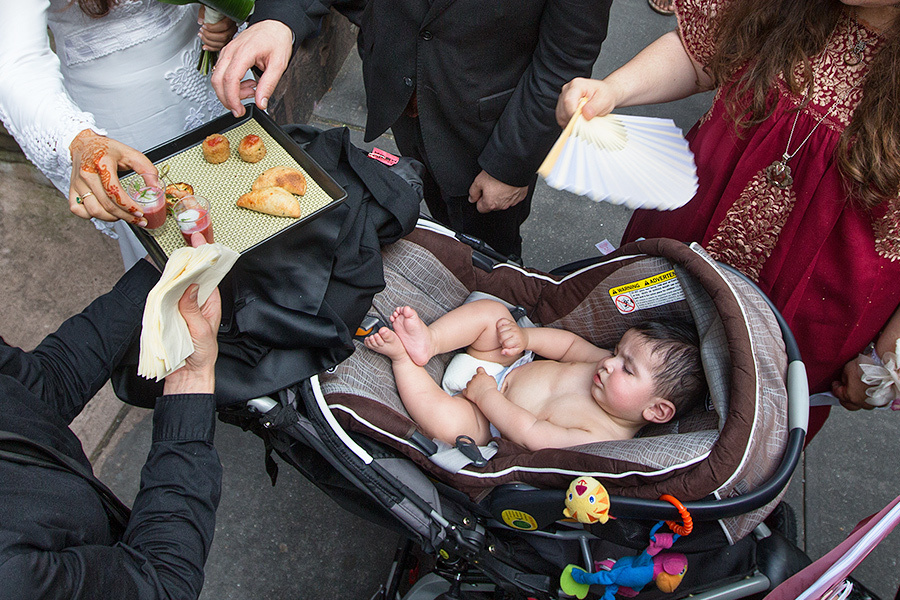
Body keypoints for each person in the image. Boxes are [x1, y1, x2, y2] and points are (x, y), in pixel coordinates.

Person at [555, 0, 900, 440]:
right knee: (614, 371)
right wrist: (613, 89)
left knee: (736, 433)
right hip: (690, 230)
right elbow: (699, 55)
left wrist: (887, 360)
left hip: (814, 295)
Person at [209, 0, 613, 258]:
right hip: (402, 99)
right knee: (436, 213)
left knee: (488, 252)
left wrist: (511, 165)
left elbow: (564, 61)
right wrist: (279, 20)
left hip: (490, 133)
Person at [0, 250, 224, 598]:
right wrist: (189, 378)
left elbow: (38, 390)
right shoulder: (14, 578)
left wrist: (163, 271)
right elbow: (161, 585)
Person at [0, 0, 237, 268]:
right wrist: (78, 138)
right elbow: (18, 62)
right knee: (168, 246)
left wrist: (224, 14)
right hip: (124, 117)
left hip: (207, 71)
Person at [363, 300, 706, 451]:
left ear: (656, 410)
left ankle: (403, 360)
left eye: (626, 369)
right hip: (507, 365)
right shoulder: (604, 364)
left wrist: (486, 397)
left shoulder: (601, 437)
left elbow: (531, 432)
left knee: (449, 427)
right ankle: (430, 341)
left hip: (489, 420)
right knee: (495, 316)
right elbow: (569, 345)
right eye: (617, 352)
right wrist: (525, 338)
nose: (609, 363)